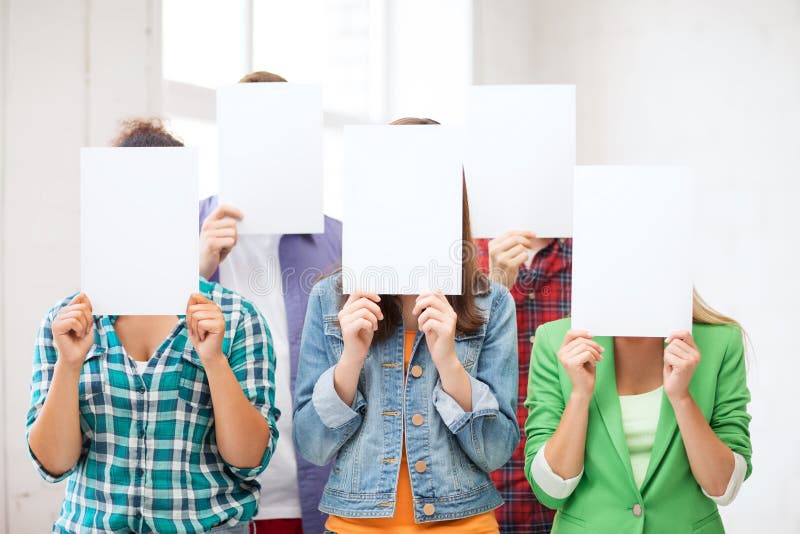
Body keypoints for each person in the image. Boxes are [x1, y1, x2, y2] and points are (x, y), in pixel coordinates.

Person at [26, 119, 280, 533]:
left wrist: (214, 362)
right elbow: (54, 465)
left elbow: (249, 458)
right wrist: (68, 366)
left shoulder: (236, 318)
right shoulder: (66, 324)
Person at [293, 117, 520, 533]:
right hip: (356, 524)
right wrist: (350, 358)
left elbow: (497, 450)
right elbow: (311, 446)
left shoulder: (493, 302)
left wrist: (450, 363)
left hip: (465, 522)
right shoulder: (330, 298)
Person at [199, 70, 342, 534]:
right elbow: (138, 351)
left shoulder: (340, 241)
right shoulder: (185, 230)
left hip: (318, 494)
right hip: (209, 498)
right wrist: (196, 269)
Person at [524, 292, 752, 533]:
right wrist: (579, 396)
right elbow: (549, 491)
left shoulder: (721, 341)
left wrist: (682, 398)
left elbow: (723, 487)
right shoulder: (556, 341)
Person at [474, 230, 571, 533]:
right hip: (484, 481)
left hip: (573, 482)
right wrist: (495, 287)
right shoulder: (456, 258)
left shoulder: (595, 256)